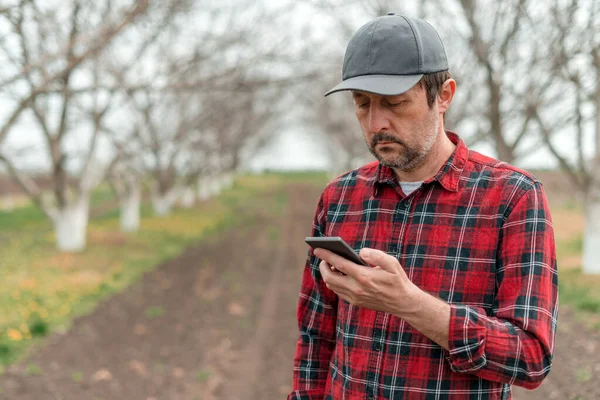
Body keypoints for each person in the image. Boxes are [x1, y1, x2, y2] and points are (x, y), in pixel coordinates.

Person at [288, 13, 558, 400]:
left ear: (444, 95)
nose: (376, 122)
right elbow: (315, 338)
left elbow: (531, 358)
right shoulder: (339, 197)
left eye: (395, 103)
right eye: (362, 104)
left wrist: (410, 304)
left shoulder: (513, 196)